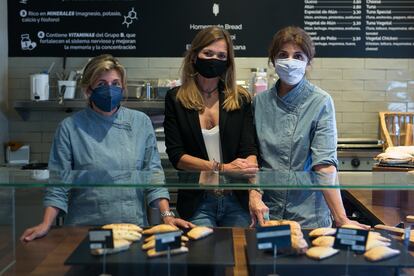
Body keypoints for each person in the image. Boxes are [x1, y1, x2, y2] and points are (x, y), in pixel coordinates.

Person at [21, 54, 193, 242]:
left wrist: (167, 216)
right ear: (88, 90)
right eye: (102, 84)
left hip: (131, 227)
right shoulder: (70, 128)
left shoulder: (140, 123)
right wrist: (46, 224)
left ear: (123, 87)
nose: (110, 90)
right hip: (83, 229)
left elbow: (153, 174)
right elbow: (58, 184)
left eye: (115, 84)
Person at [254, 26, 369, 229]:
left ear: (308, 62)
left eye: (298, 56)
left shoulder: (321, 102)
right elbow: (253, 160)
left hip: (309, 217)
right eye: (283, 55)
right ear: (273, 60)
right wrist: (254, 196)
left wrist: (341, 218)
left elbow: (324, 165)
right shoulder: (259, 103)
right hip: (267, 214)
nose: (290, 61)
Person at [164, 26, 268, 227]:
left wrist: (255, 194)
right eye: (208, 53)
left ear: (228, 62)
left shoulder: (240, 98)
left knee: (243, 254)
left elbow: (249, 151)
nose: (214, 60)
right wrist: (222, 168)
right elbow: (177, 156)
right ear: (194, 56)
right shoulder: (175, 99)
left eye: (221, 56)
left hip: (236, 200)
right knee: (200, 255)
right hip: (198, 202)